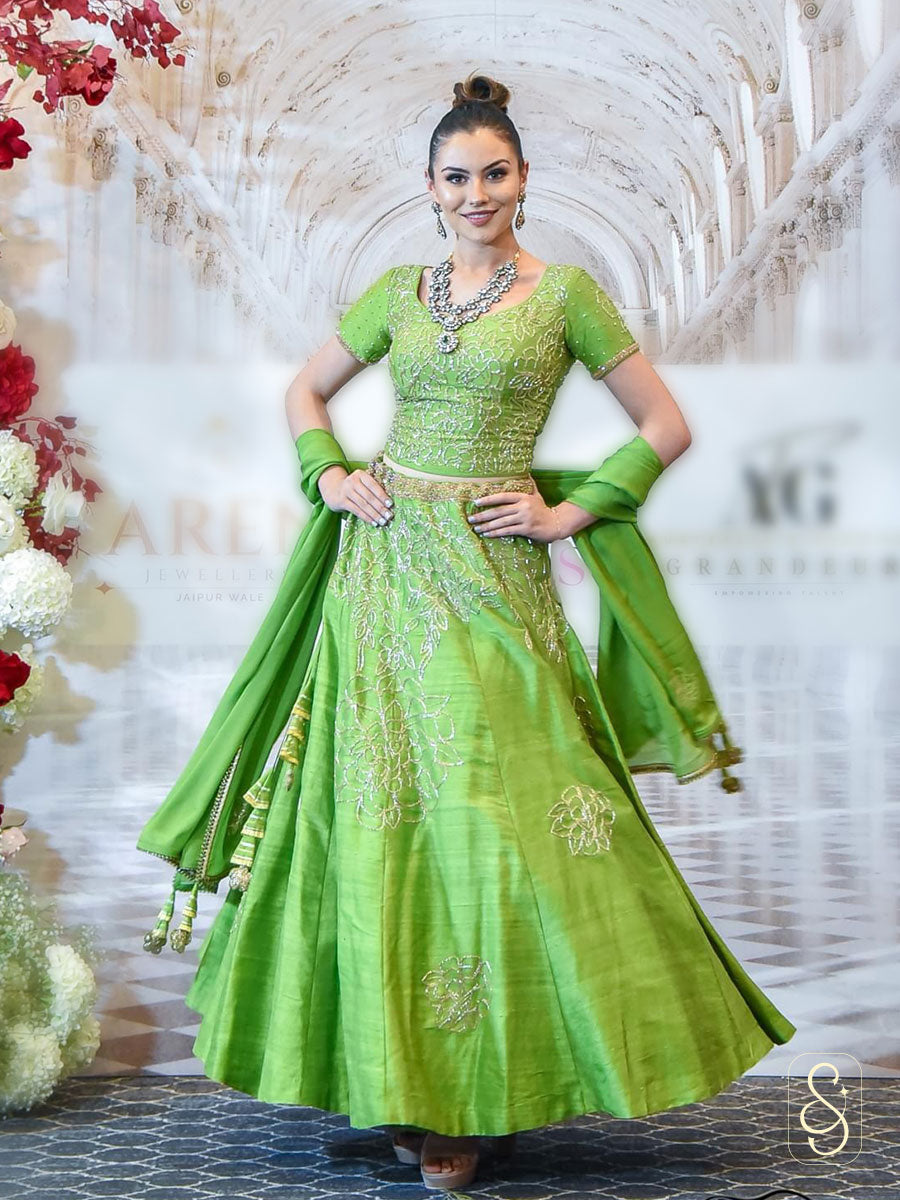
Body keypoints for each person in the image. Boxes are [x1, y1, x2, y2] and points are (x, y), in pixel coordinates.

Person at [137, 72, 796, 1192]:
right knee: (380, 813)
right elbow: (306, 395)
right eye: (457, 176)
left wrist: (569, 511)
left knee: (505, 810)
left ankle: (489, 1088)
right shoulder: (399, 291)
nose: (476, 191)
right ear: (428, 189)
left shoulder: (568, 295)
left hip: (497, 573)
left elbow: (666, 423)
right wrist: (329, 475)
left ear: (524, 181)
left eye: (495, 172)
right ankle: (404, 1086)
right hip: (383, 577)